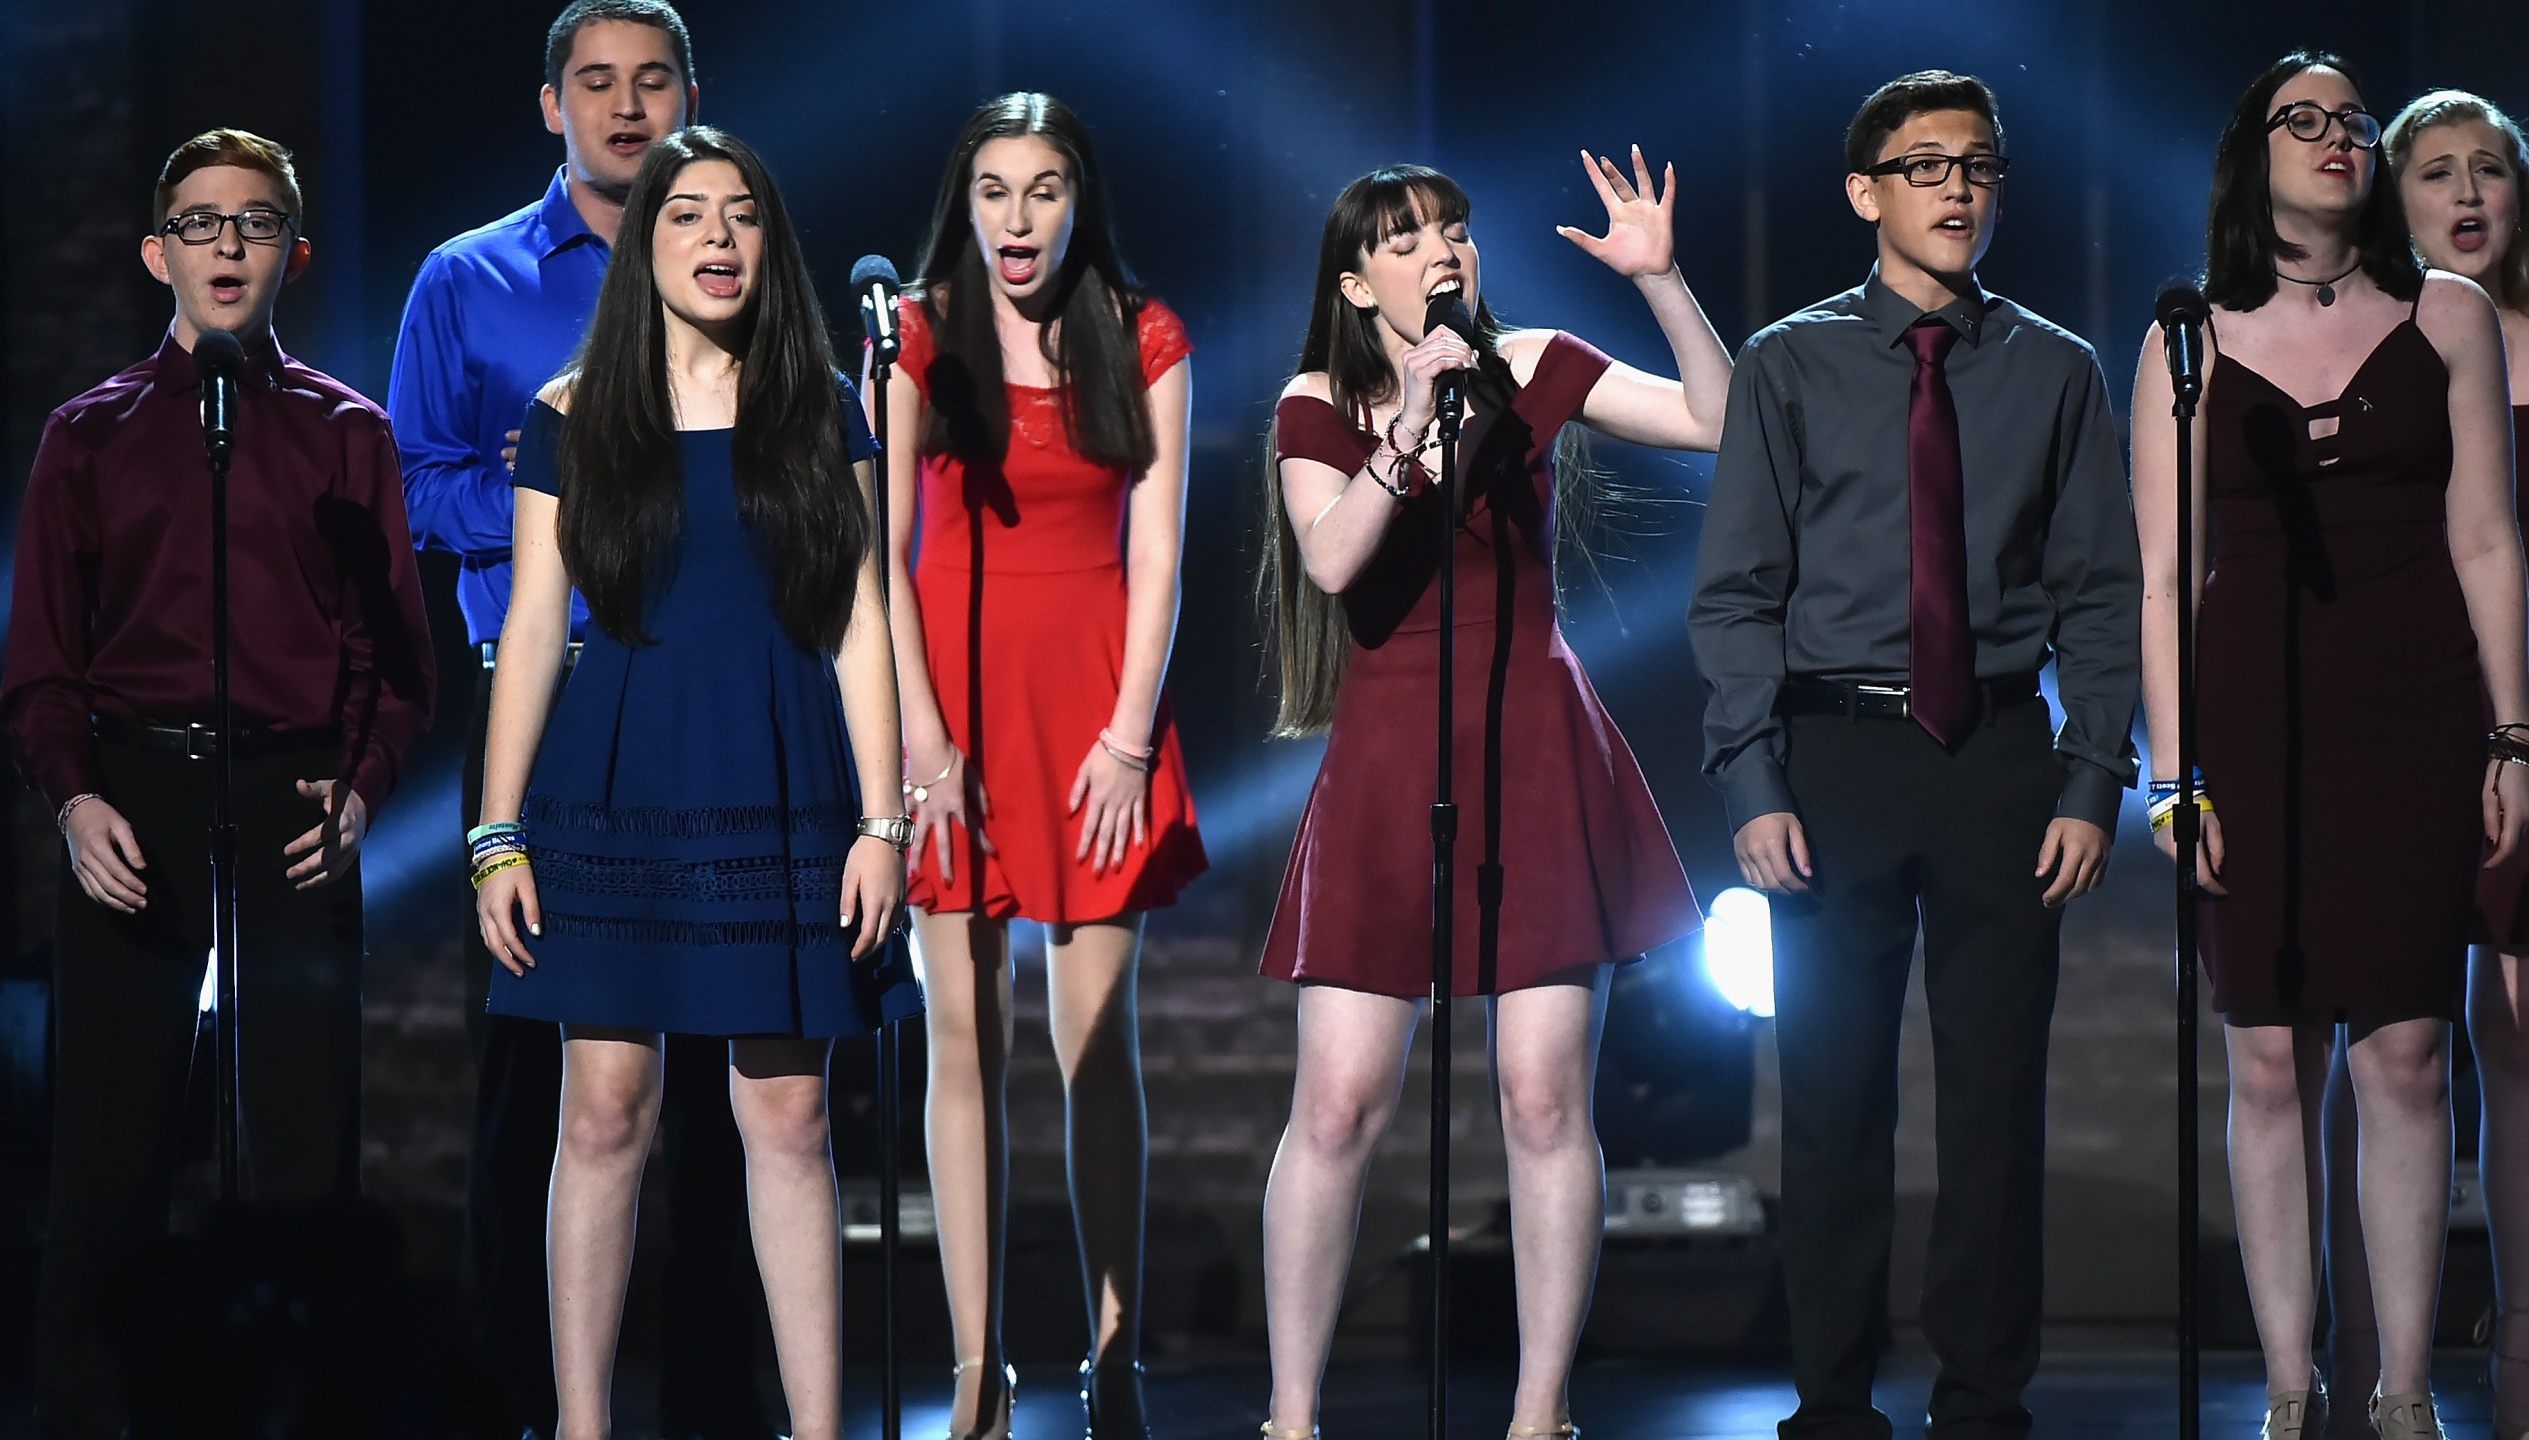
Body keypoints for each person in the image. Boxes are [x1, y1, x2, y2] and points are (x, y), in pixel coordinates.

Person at [1691, 71, 2139, 1440]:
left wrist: (2090, 776)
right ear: (1863, 191)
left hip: (2002, 753)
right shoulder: (1788, 361)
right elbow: (1736, 592)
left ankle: (1982, 1398)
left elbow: (2103, 594)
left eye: (1980, 165)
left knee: (1996, 1102)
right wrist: (1753, 779)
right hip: (1837, 753)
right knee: (1830, 1106)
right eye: (1927, 164)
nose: (1957, 188)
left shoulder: (2055, 367)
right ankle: (1830, 1401)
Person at [1256, 148, 1730, 1439]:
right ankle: (1290, 1415)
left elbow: (1721, 420)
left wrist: (1666, 281)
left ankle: (1538, 1411)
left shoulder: (1532, 366)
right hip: (1390, 752)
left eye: (1453, 228)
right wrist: (1411, 419)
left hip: (1532, 742)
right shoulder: (1319, 397)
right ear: (1358, 281)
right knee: (1340, 1099)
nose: (1443, 250)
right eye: (1406, 238)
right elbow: (1337, 558)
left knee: (1540, 1094)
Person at [470, 125, 918, 1440]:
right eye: (686, 216)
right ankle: (582, 1425)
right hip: (615, 774)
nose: (717, 239)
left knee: (784, 1112)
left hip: (777, 767)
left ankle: (820, 1428)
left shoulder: (823, 407)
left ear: (772, 246)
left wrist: (883, 822)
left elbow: (862, 620)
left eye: (741, 217)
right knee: (603, 1110)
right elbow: (540, 620)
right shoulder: (571, 416)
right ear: (646, 242)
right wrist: (499, 833)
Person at [0, 127, 437, 1439]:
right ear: (157, 254)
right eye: (200, 222)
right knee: (110, 1160)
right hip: (139, 797)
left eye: (253, 223)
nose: (227, 244)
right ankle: (89, 1413)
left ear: (292, 252)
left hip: (294, 802)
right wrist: (78, 803)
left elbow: (396, 655)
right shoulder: (88, 438)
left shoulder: (345, 434)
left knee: (302, 1157)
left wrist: (360, 789)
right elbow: (41, 663)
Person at [382, 7, 769, 1436]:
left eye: (650, 81)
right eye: (595, 83)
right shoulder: (467, 280)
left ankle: (721, 1402)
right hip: (549, 703)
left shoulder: (739, 268)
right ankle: (524, 1401)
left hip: (723, 700)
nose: (624, 106)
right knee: (542, 1082)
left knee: (741, 1085)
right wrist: (565, 494)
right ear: (551, 106)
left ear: (689, 97)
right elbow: (417, 484)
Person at [2133, 52, 2529, 1440]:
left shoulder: (2451, 316)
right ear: (2256, 154)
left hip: (2416, 706)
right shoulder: (2188, 339)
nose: (2340, 140)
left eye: (2355, 121)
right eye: (2307, 120)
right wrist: (2173, 776)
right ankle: (2292, 1390)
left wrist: (2512, 732)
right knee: (2264, 1059)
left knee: (2409, 1054)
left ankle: (2407, 1388)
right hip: (2252, 717)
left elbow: (2487, 534)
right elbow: (2165, 577)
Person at [873, 91, 1204, 1440]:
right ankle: (974, 1365)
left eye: (1044, 189)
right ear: (965, 203)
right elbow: (876, 550)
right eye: (996, 190)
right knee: (962, 1042)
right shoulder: (914, 336)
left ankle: (1113, 1357)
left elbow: (1165, 550)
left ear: (1080, 201)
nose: (1019, 217)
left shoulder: (1147, 333)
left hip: (1091, 713)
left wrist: (1129, 737)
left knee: (1093, 1048)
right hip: (948, 711)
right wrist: (923, 741)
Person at [2312, 86, 2529, 1438]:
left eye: (2490, 170)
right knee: (2380, 1029)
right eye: (2436, 170)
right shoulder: (2384, 337)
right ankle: (2355, 1342)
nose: (2467, 194)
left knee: (2513, 1035)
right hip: (2401, 712)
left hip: (2512, 718)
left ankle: (2517, 1337)